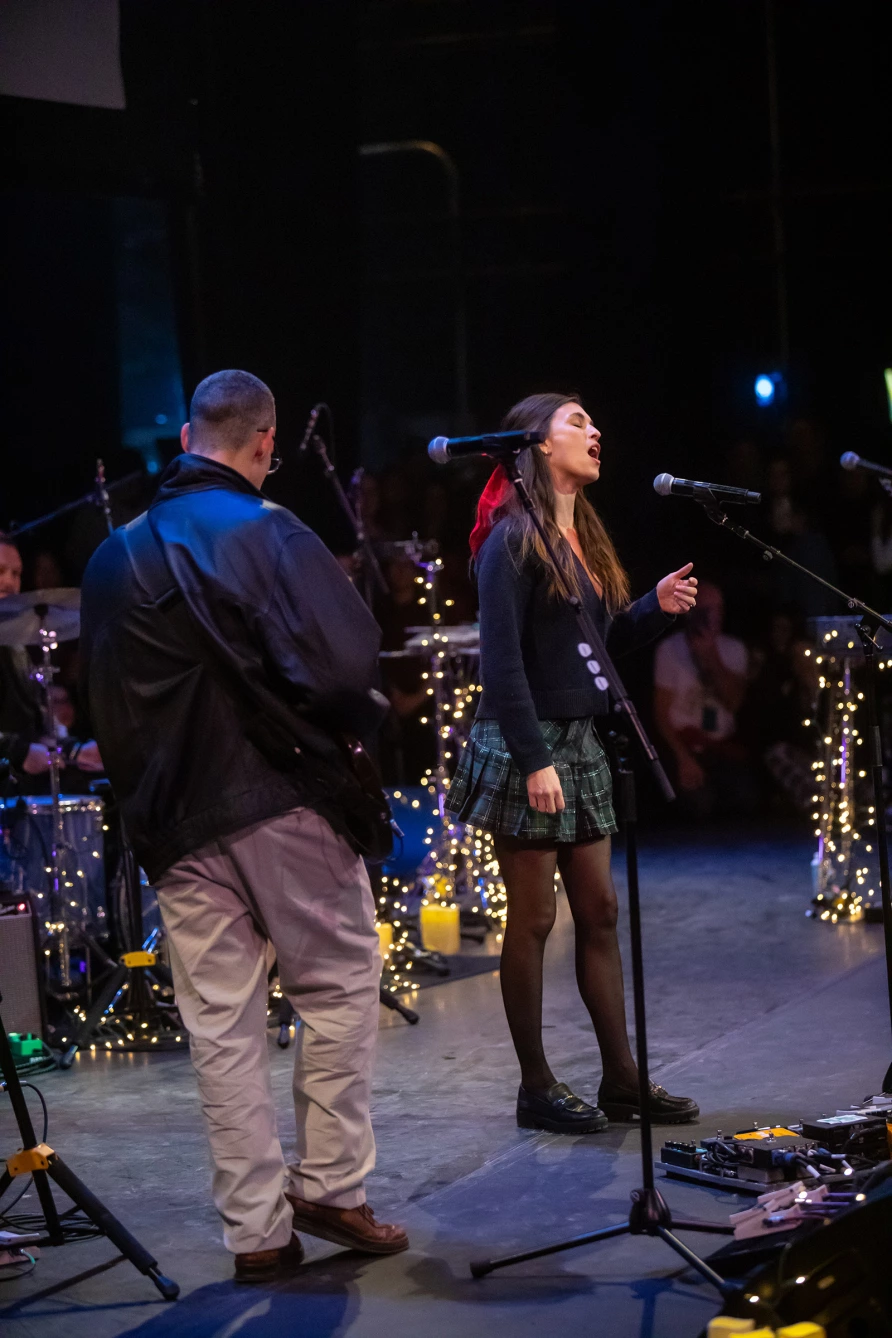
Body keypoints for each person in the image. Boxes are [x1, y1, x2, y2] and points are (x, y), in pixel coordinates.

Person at [80, 370, 408, 1284]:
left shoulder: (112, 558)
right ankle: (333, 1187)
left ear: (187, 438)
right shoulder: (267, 529)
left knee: (221, 1029)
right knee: (340, 988)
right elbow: (348, 668)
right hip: (279, 800)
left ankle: (257, 1234)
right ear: (264, 445)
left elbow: (99, 703)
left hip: (172, 822)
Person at [445, 392, 699, 1133]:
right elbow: (502, 665)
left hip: (581, 742)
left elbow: (596, 652)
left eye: (594, 420)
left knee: (600, 910)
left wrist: (649, 608)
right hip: (529, 743)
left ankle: (622, 1078)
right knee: (532, 919)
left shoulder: (576, 536)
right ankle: (535, 1086)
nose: (595, 432)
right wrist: (532, 759)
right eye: (578, 422)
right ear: (537, 444)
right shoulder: (510, 540)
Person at [653, 580, 758, 819]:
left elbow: (733, 703)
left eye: (719, 610)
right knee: (699, 806)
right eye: (706, 611)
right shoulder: (669, 650)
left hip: (720, 746)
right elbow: (660, 714)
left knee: (745, 800)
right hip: (685, 745)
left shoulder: (734, 649)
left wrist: (710, 657)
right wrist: (683, 759)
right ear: (691, 612)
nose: (714, 617)